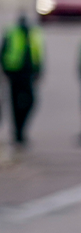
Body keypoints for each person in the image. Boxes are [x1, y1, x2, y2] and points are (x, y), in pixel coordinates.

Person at [2, 14, 44, 148]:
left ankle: (21, 128)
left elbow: (39, 53)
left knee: (30, 101)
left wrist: (39, 71)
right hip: (15, 74)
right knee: (15, 105)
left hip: (29, 75)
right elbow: (3, 53)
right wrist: (5, 71)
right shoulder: (12, 33)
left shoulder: (35, 34)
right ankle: (18, 133)